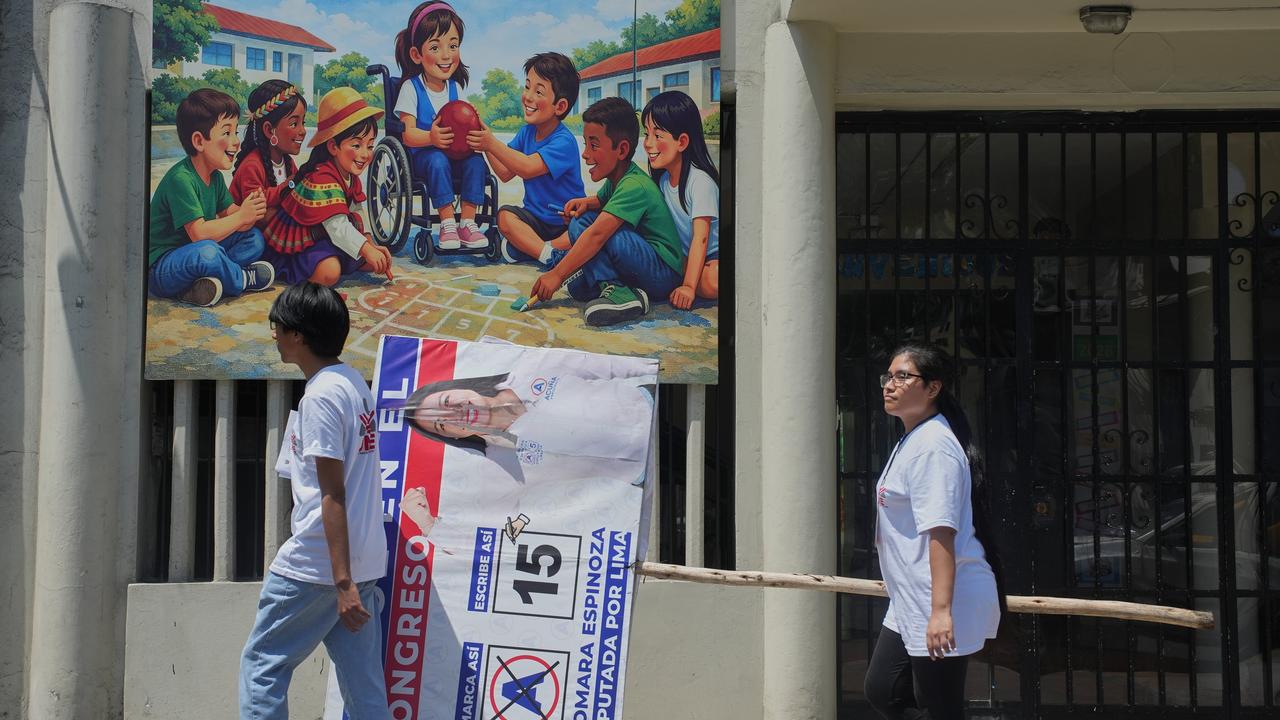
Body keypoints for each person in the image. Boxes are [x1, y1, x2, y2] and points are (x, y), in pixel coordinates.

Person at [239, 282, 391, 719]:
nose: (274, 335)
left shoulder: (322, 395)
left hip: (318, 566)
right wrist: (348, 580)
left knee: (263, 666)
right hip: (359, 560)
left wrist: (341, 583)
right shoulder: (350, 383)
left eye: (278, 326)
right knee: (364, 688)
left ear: (299, 336)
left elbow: (333, 491)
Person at [864, 342, 1006, 720]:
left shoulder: (933, 447)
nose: (889, 385)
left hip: (943, 598)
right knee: (883, 690)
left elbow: (940, 531)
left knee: (938, 707)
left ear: (933, 388)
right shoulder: (914, 438)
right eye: (888, 376)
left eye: (902, 376)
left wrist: (941, 612)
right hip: (910, 598)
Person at [528, 97, 685, 326]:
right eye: (585, 144)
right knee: (581, 227)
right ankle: (613, 286)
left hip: (661, 273)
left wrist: (556, 275)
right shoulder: (617, 178)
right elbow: (600, 201)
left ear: (621, 149)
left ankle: (622, 294)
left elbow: (598, 234)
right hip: (641, 261)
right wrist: (584, 203)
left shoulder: (634, 185)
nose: (585, 154)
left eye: (594, 145)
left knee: (595, 230)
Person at [148, 88, 273, 307]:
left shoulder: (213, 177)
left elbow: (230, 214)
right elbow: (199, 234)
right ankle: (241, 279)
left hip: (195, 253)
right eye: (227, 133)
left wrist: (250, 211)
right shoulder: (181, 179)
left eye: (236, 132)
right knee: (208, 252)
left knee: (253, 238)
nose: (236, 141)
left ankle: (200, 285)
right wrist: (241, 217)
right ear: (199, 141)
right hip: (163, 267)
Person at [261, 87, 392, 286]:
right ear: (333, 146)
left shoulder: (349, 175)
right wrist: (366, 249)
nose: (365, 154)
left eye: (370, 145)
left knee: (372, 261)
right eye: (356, 145)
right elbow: (337, 226)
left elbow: (355, 211)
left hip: (327, 237)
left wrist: (369, 243)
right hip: (303, 244)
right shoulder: (321, 177)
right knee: (330, 273)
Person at [465, 52, 584, 265]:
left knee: (584, 228)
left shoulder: (564, 141)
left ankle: (535, 249)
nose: (528, 96)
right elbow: (504, 172)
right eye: (527, 86)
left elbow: (528, 167)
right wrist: (484, 142)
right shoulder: (526, 132)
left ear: (561, 106)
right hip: (535, 220)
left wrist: (491, 143)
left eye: (539, 91)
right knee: (505, 217)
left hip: (565, 222)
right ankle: (547, 254)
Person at [393, 1, 488, 250]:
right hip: (423, 156)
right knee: (437, 159)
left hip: (456, 154)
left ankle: (467, 223)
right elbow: (408, 135)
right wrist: (432, 138)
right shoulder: (410, 88)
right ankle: (447, 223)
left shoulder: (456, 89)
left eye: (453, 46)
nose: (446, 55)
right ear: (417, 54)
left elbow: (469, 129)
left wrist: (474, 121)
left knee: (477, 161)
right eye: (435, 47)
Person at [641, 90, 720, 308]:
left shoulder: (700, 181)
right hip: (681, 257)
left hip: (711, 257)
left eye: (657, 136)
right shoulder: (663, 180)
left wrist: (688, 286)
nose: (648, 143)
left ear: (682, 141)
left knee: (713, 280)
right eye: (646, 134)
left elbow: (701, 239)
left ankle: (686, 278)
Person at [230, 80, 308, 214]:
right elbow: (256, 207)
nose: (303, 131)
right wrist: (289, 185)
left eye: (303, 122)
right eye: (294, 124)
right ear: (269, 130)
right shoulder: (252, 166)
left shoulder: (287, 162)